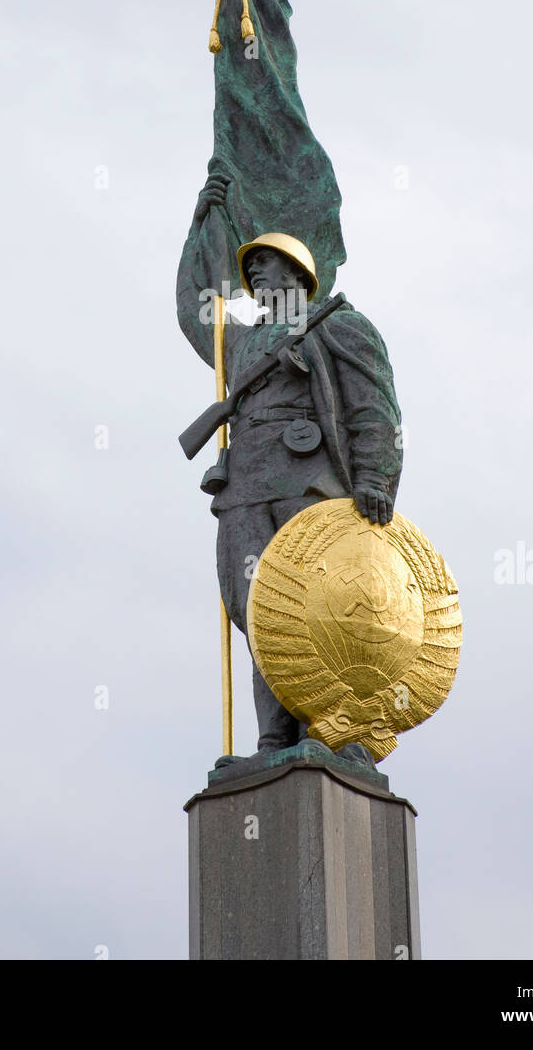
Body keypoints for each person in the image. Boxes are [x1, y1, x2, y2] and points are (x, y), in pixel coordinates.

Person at [185, 174, 403, 765]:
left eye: (268, 264)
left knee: (325, 604)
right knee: (260, 611)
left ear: (299, 276)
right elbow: (193, 312)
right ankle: (273, 742)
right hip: (246, 491)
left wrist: (375, 477)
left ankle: (337, 732)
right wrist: (201, 226)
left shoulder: (338, 324)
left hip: (311, 485)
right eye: (250, 267)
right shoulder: (244, 345)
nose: (255, 273)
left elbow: (373, 407)